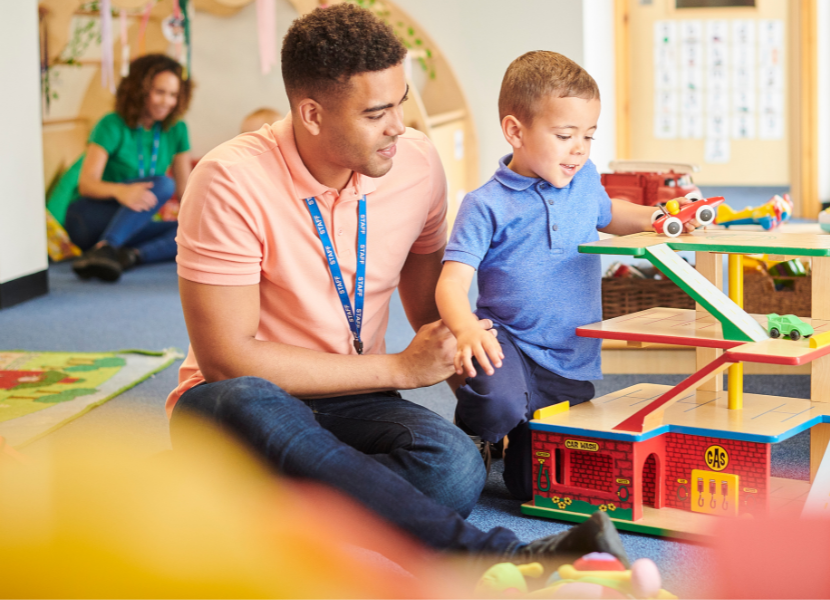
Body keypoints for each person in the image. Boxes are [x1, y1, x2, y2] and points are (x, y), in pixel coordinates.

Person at [167, 4, 628, 566]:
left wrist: (494, 397)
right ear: (312, 114)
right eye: (376, 113)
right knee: (249, 396)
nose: (397, 127)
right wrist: (401, 370)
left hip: (356, 398)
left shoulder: (415, 163)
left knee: (456, 468)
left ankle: (249, 503)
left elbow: (431, 301)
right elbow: (227, 360)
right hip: (239, 398)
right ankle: (490, 556)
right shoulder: (227, 180)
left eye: (401, 102)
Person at [435, 51, 699, 501]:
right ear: (515, 131)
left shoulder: (584, 178)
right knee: (497, 406)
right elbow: (452, 281)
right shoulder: (484, 204)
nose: (579, 148)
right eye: (564, 135)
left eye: (589, 136)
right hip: (510, 343)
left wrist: (656, 218)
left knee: (529, 488)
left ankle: (519, 434)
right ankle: (480, 427)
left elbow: (609, 212)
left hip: (569, 354)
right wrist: (463, 329)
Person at [46, 54, 194, 282]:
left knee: (191, 234)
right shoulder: (111, 124)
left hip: (133, 223)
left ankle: (128, 256)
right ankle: (107, 246)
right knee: (164, 184)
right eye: (159, 92)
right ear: (139, 90)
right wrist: (121, 191)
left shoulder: (177, 129)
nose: (167, 101)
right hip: (87, 217)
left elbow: (187, 192)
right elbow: (87, 184)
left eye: (173, 95)